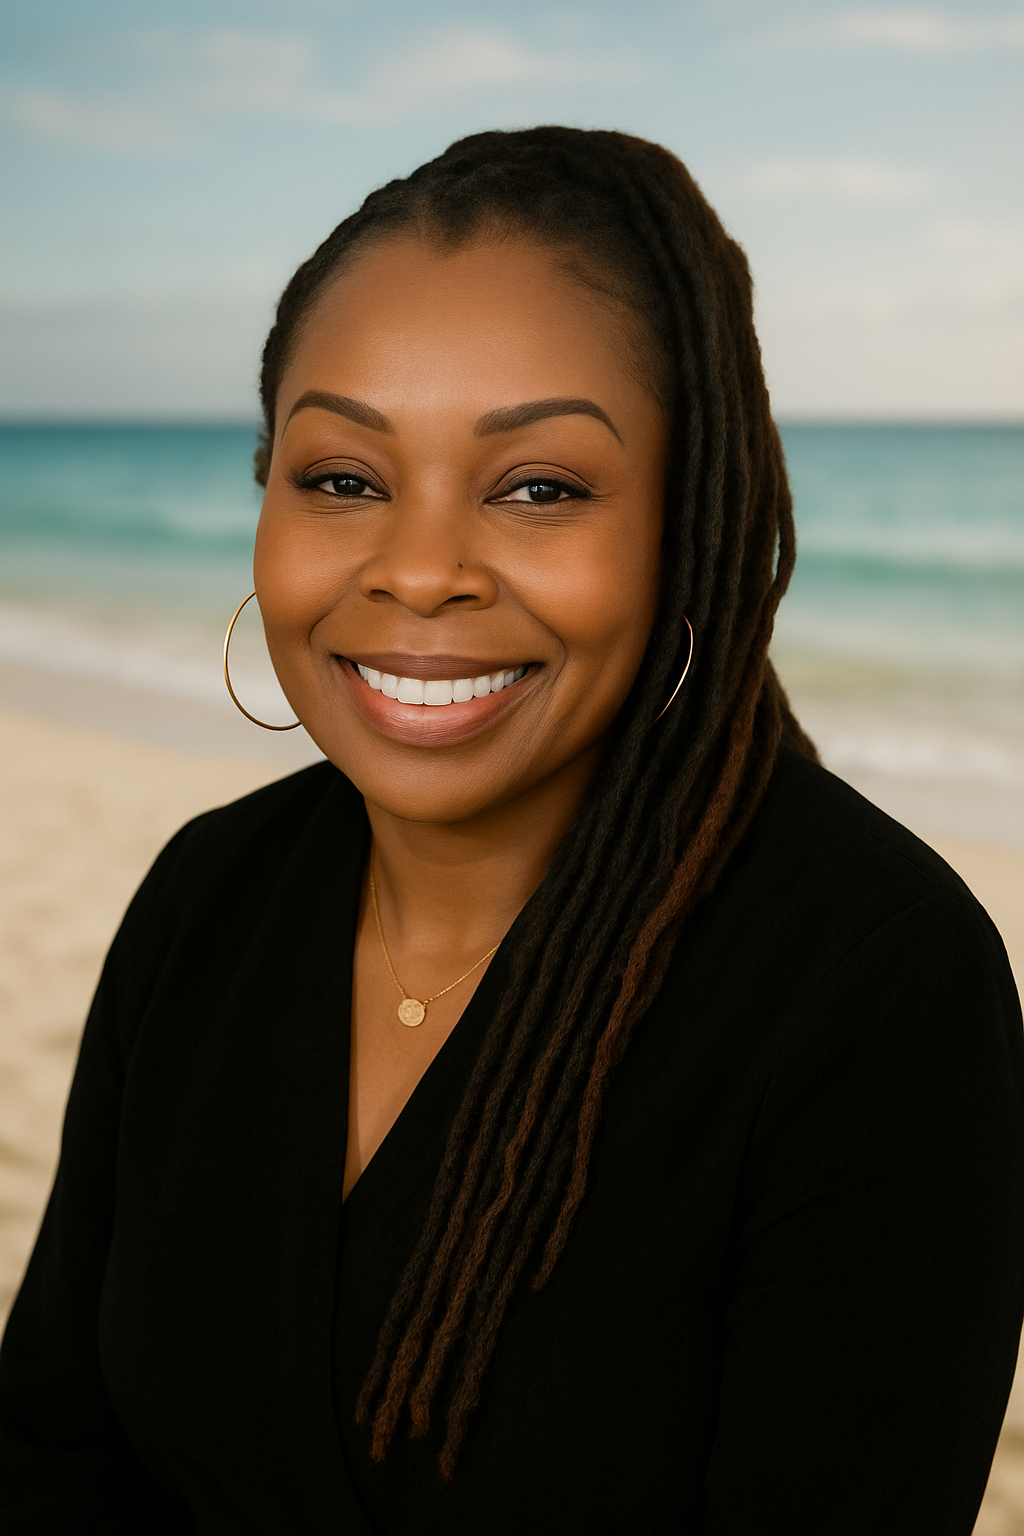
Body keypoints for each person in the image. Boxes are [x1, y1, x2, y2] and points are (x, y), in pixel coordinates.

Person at [1, 126, 1022, 1535]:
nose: (420, 572)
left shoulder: (876, 989)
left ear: (686, 525)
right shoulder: (209, 896)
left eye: (540, 487)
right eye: (343, 479)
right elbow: (51, 1454)